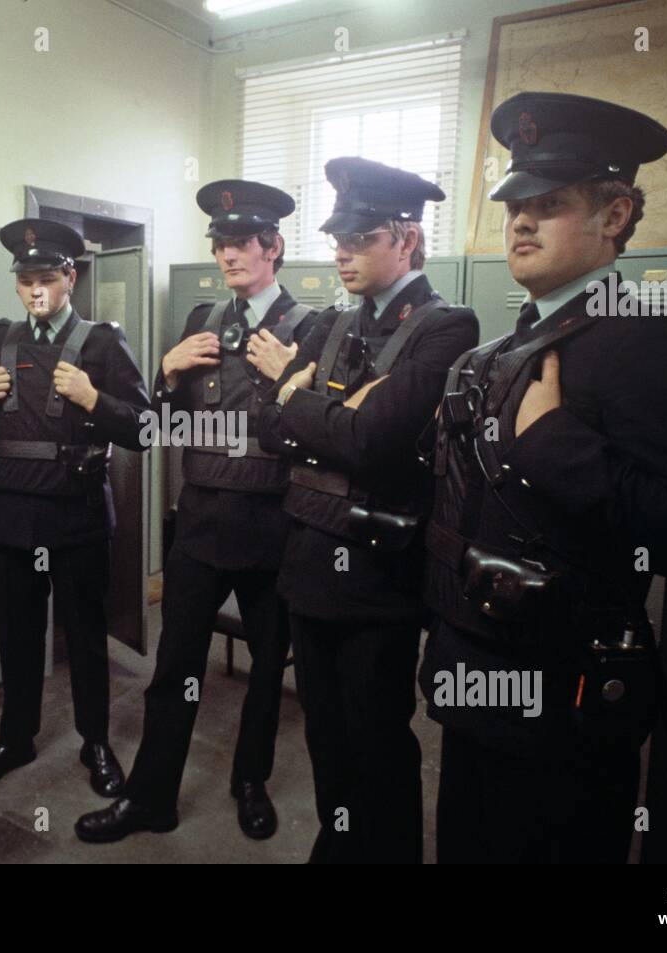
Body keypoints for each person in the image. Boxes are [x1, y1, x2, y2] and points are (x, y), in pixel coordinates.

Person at [420, 92, 667, 862]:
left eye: (551, 202)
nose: (521, 221)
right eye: (515, 205)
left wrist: (561, 447)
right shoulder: (503, 349)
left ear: (615, 214)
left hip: (563, 712)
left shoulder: (649, 343)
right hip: (476, 685)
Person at [76, 180, 319, 844]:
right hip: (202, 521)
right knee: (173, 669)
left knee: (268, 666)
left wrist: (286, 380)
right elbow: (165, 427)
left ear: (274, 246)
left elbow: (316, 439)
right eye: (220, 243)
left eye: (241, 242)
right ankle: (151, 795)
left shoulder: (312, 328)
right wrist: (165, 371)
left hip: (274, 526)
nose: (228, 255)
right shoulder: (201, 322)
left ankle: (250, 779)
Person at [257, 158, 480, 863]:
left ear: (407, 237)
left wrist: (303, 402)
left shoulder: (446, 328)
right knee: (325, 735)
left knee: (377, 741)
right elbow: (271, 426)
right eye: (336, 237)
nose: (341, 251)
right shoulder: (333, 324)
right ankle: (339, 842)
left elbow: (375, 438)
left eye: (359, 237)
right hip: (307, 564)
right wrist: (320, 411)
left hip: (378, 581)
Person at [0, 218, 150, 798]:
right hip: (11, 515)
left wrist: (92, 398)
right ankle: (16, 738)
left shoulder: (103, 342)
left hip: (76, 515)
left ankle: (95, 740)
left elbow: (145, 429)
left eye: (46, 279)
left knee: (86, 635)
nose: (35, 291)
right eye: (25, 281)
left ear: (70, 276)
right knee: (16, 635)